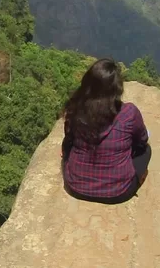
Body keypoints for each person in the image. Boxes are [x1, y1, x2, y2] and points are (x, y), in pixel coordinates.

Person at [61, 58, 151, 204]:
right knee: (146, 150)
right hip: (118, 191)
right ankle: (137, 177)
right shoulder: (129, 113)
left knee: (69, 148)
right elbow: (142, 140)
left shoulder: (76, 108)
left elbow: (69, 139)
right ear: (117, 89)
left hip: (76, 187)